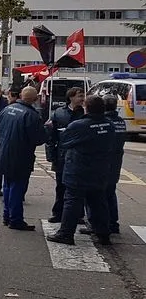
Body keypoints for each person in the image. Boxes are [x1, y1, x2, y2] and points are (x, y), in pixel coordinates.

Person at [46, 95, 115, 246]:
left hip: (79, 170)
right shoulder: (109, 125)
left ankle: (66, 233)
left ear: (87, 108)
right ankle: (103, 234)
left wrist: (50, 129)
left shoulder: (79, 125)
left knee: (72, 201)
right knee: (98, 202)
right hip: (100, 169)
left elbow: (64, 142)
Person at [0, 86, 47, 231]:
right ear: (35, 99)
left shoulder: (7, 109)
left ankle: (7, 216)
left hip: (4, 152)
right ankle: (15, 219)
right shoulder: (32, 115)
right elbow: (38, 139)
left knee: (7, 186)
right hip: (21, 156)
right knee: (17, 188)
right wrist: (46, 130)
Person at [46, 87, 85, 224]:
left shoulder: (85, 113)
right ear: (71, 97)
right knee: (60, 185)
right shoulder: (59, 113)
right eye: (79, 96)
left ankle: (78, 214)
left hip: (80, 156)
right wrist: (51, 155)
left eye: (83, 95)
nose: (82, 98)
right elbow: (51, 136)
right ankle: (58, 212)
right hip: (62, 155)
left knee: (78, 187)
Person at [97, 95, 126, 235]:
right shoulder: (121, 121)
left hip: (103, 162)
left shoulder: (104, 122)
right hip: (116, 161)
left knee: (99, 194)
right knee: (110, 192)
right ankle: (113, 223)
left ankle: (101, 224)